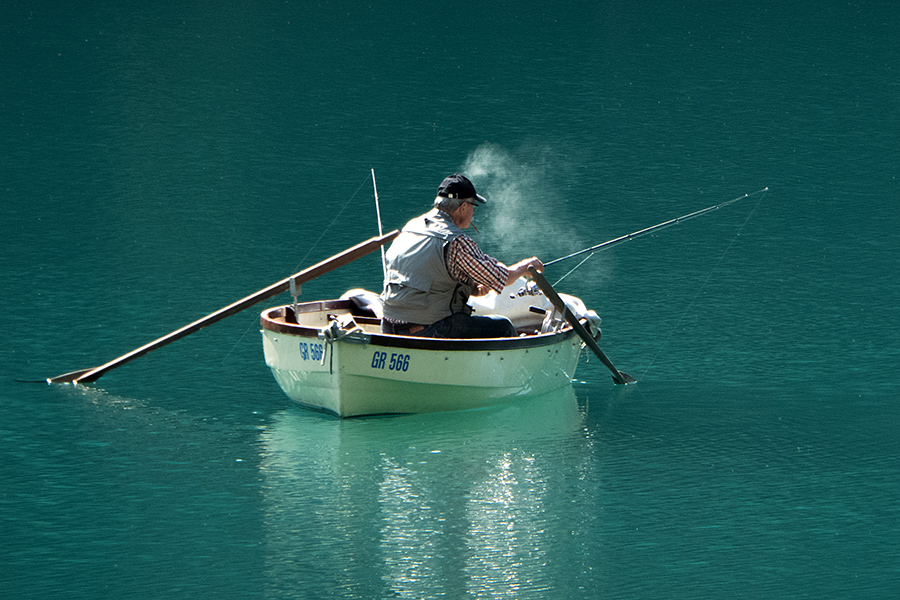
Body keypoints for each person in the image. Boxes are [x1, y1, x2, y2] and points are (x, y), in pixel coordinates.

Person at [381, 173, 543, 338]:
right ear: (463, 207)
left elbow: (426, 275)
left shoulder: (411, 227)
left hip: (388, 325)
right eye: (473, 206)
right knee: (504, 327)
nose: (473, 211)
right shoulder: (456, 240)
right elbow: (501, 277)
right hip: (428, 328)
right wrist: (526, 267)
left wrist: (472, 289)